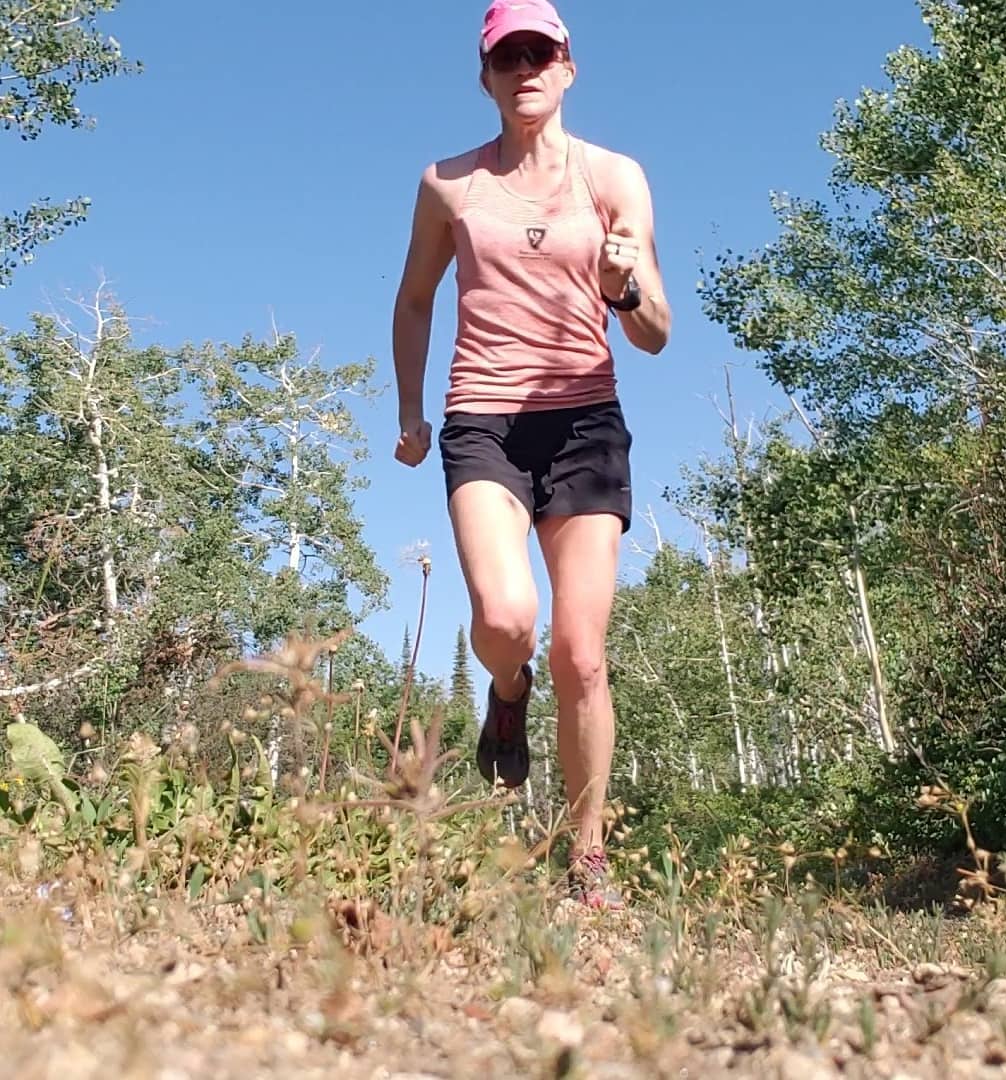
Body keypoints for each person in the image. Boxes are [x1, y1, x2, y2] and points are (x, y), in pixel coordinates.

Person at [392, 0, 670, 909]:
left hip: (586, 422)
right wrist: (410, 413)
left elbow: (657, 335)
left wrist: (625, 290)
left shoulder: (615, 176)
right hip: (483, 420)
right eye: (507, 57)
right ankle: (504, 691)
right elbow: (416, 302)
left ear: (569, 68)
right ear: (485, 76)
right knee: (509, 619)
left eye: (540, 54)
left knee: (582, 656)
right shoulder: (449, 184)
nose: (525, 70)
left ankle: (587, 857)